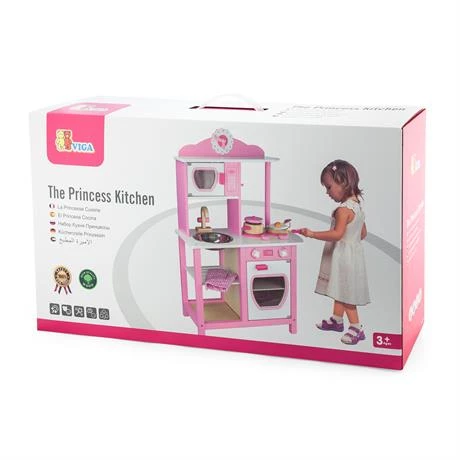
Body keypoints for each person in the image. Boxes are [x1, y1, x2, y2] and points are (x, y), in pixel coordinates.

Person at [300, 160, 370, 345]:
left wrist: (312, 234)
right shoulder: (357, 205)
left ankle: (356, 327)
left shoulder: (343, 210)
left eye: (329, 187)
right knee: (340, 287)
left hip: (343, 257)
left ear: (343, 182)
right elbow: (363, 233)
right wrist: (351, 241)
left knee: (346, 293)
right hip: (353, 256)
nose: (327, 192)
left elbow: (337, 234)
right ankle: (337, 320)